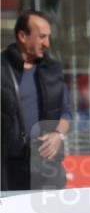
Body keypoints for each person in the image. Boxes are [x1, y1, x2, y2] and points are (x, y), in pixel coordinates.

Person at [1, 10, 71, 191]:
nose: (47, 43)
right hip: (8, 169)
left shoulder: (53, 70)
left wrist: (58, 135)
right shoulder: (2, 68)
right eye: (41, 37)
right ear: (23, 36)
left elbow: (66, 113)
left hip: (46, 165)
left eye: (48, 37)